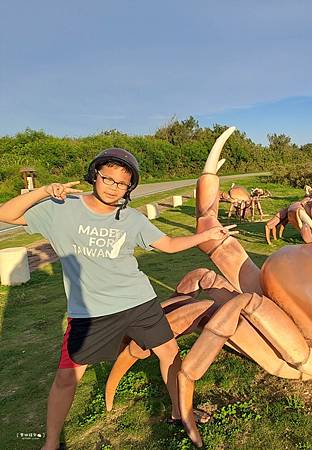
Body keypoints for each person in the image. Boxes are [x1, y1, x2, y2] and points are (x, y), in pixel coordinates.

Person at [0, 148, 236, 450]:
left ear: (129, 188)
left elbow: (168, 244)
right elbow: (5, 214)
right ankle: (51, 442)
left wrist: (206, 235)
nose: (113, 187)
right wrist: (44, 191)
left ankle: (181, 412)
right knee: (67, 378)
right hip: (90, 311)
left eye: (121, 183)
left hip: (139, 302)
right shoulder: (60, 208)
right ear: (94, 176)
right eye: (107, 179)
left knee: (170, 352)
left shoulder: (132, 219)